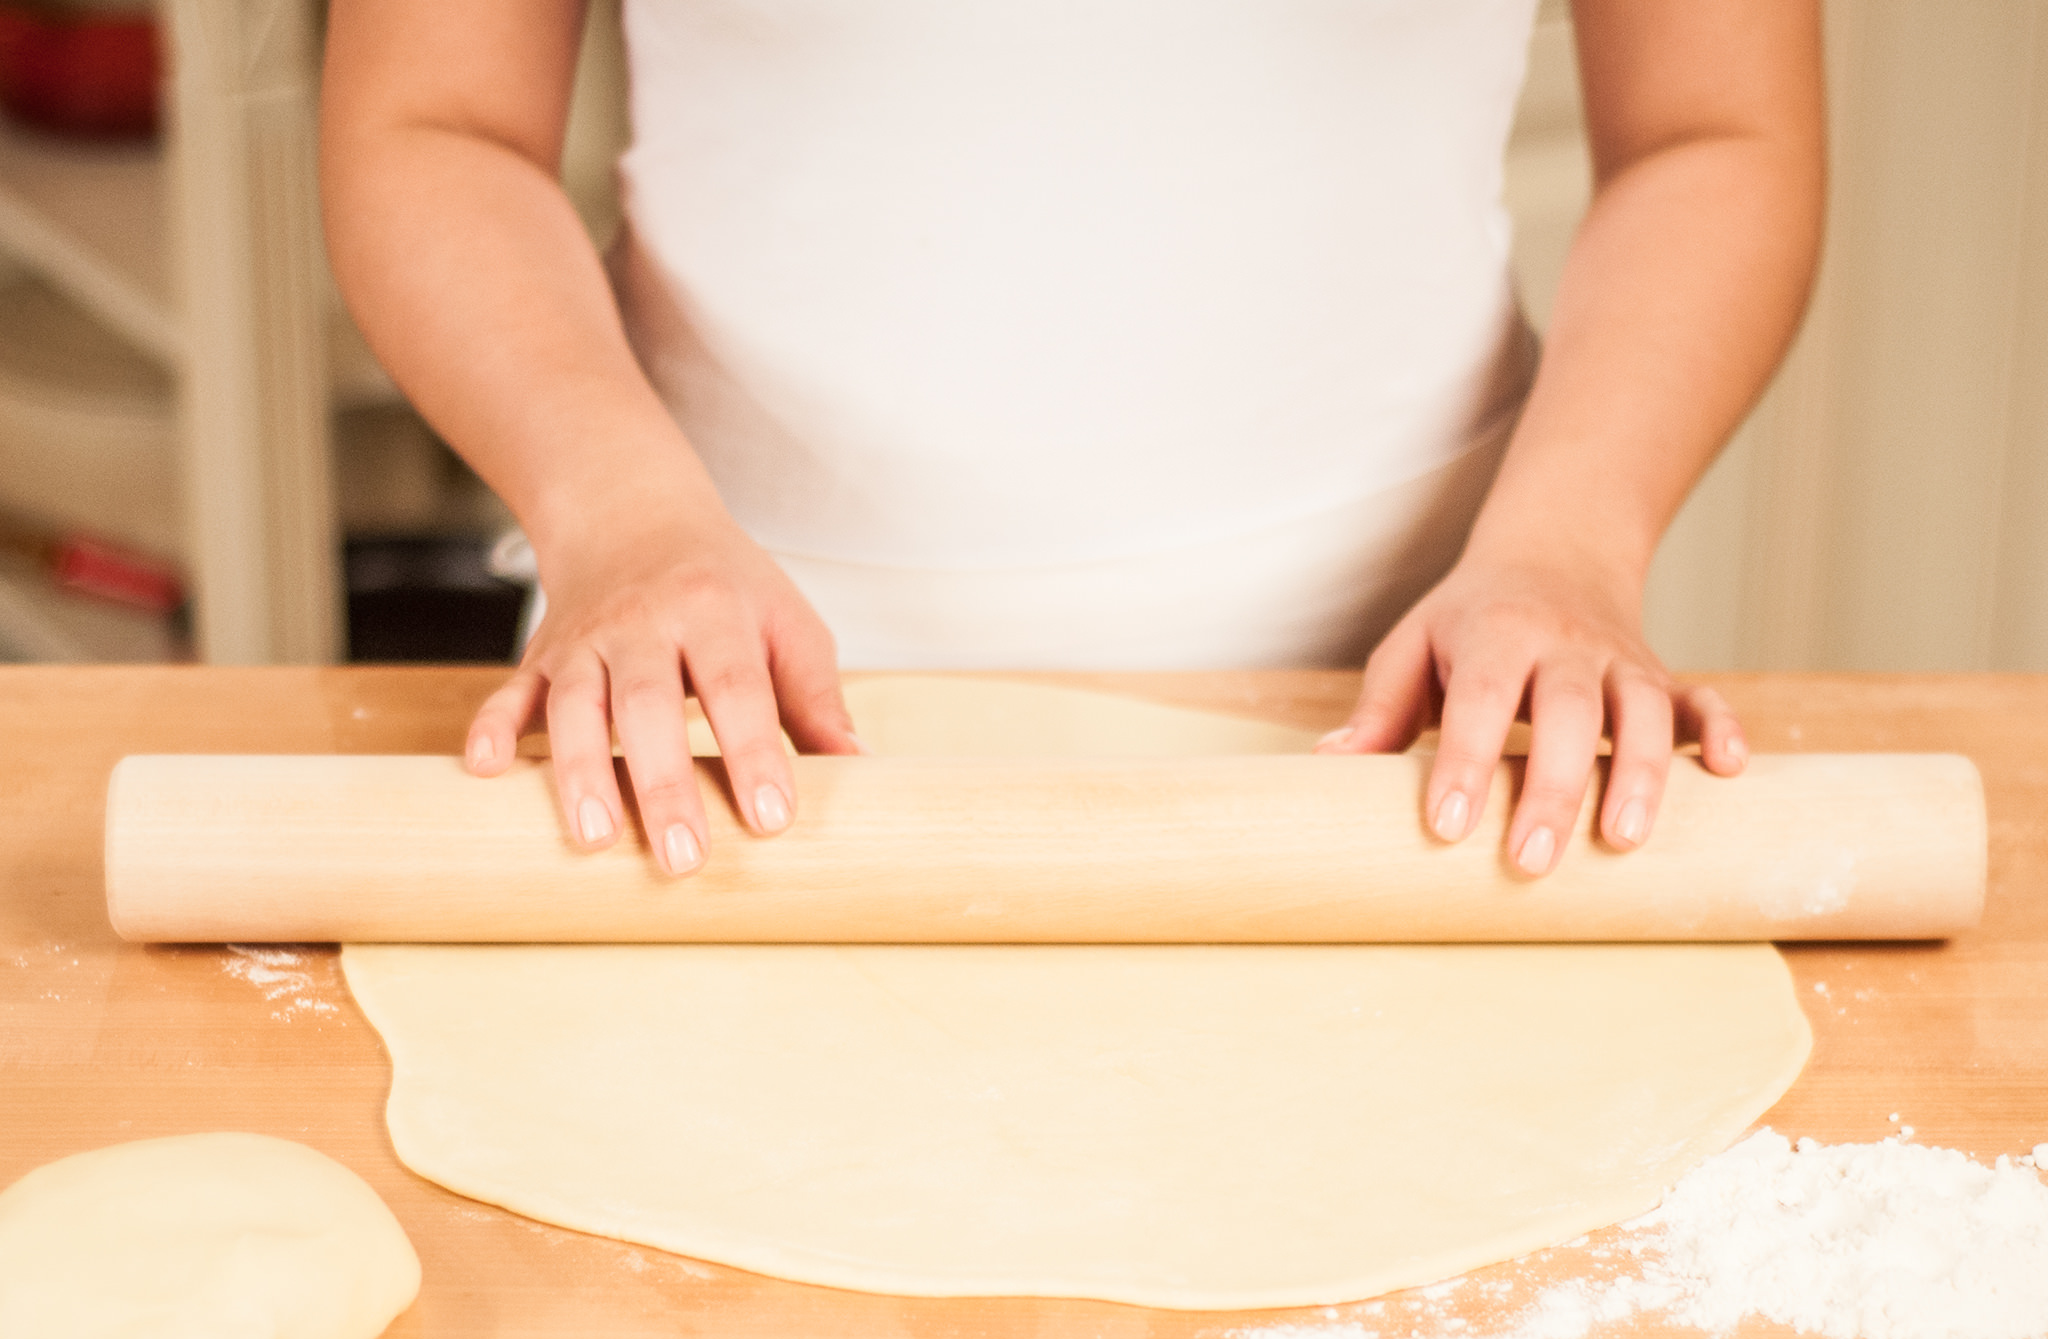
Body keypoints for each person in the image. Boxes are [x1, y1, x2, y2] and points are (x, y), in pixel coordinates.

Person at [321, 1, 1822, 880]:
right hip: (705, 704)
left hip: (1433, 720)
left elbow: (1713, 129)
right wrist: (621, 523)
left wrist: (1567, 551)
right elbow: (436, 117)